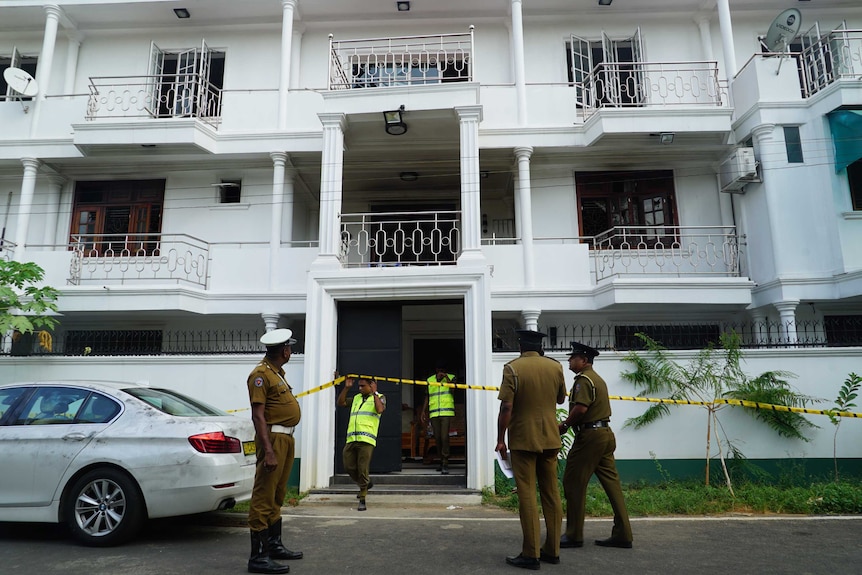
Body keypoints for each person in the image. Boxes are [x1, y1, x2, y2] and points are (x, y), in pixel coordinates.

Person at [496, 329, 567, 570]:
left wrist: (500, 438)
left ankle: (531, 553)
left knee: (527, 494)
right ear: (540, 347)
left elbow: (506, 407)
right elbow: (560, 400)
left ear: (520, 347)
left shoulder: (512, 368)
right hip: (550, 438)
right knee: (551, 493)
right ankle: (553, 550)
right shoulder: (555, 367)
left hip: (524, 440)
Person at [558, 341, 633, 550]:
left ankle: (574, 535)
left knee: (573, 482)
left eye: (573, 357)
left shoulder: (584, 380)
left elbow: (581, 409)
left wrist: (564, 425)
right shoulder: (596, 379)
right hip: (604, 435)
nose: (569, 360)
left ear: (583, 360)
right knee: (612, 485)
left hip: (590, 437)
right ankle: (623, 533)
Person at [246, 328, 303, 575]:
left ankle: (274, 545)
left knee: (278, 492)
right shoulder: (260, 375)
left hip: (286, 439)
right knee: (263, 495)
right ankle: (258, 557)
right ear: (284, 350)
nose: (290, 350)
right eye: (289, 347)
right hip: (273, 440)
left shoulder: (277, 374)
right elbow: (258, 416)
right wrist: (268, 450)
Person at [337, 376, 386, 511]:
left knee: (363, 468)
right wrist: (346, 388)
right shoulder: (357, 398)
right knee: (349, 466)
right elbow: (341, 403)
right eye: (358, 386)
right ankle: (366, 484)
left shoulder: (380, 397)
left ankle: (363, 498)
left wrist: (375, 393)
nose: (359, 388)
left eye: (362, 386)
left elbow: (380, 409)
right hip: (352, 438)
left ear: (371, 386)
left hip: (366, 439)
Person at [421, 360, 457, 474]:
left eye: (443, 370)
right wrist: (423, 411)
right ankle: (441, 461)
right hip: (434, 413)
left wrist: (446, 378)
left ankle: (446, 462)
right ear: (436, 370)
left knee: (444, 437)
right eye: (439, 370)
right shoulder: (430, 380)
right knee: (437, 438)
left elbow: (453, 390)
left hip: (446, 413)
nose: (440, 372)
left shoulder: (452, 377)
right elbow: (427, 396)